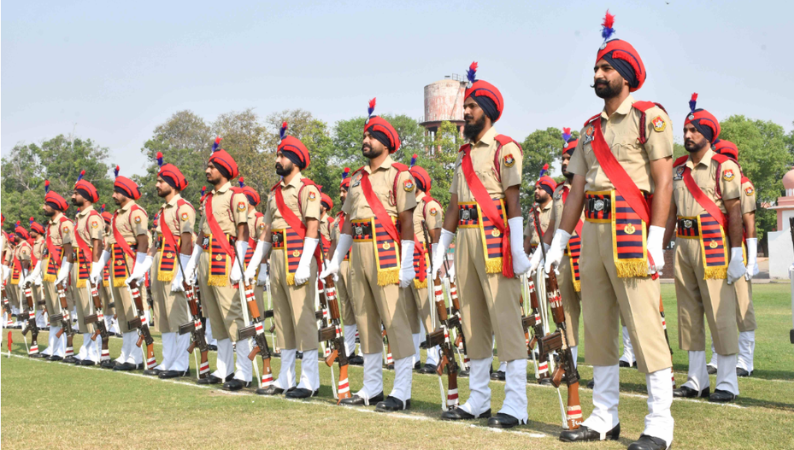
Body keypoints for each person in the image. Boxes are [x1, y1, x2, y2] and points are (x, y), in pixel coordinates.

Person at [543, 13, 675, 449]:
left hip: (631, 230)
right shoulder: (588, 130)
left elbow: (661, 183)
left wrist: (656, 238)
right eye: (596, 69)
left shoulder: (648, 119)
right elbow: (576, 190)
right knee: (598, 328)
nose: (598, 75)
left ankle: (660, 422)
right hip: (594, 232)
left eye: (606, 68)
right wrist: (559, 242)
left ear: (627, 75)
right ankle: (604, 417)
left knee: (644, 326)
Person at [431, 63, 531, 428]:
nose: (466, 112)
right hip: (466, 245)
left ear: (487, 111)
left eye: (472, 106)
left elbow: (513, 201)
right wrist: (442, 246)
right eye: (466, 106)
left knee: (506, 322)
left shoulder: (504, 149)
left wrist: (518, 249)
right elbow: (455, 205)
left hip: (494, 244)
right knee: (471, 322)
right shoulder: (463, 155)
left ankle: (517, 404)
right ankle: (479, 400)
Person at [322, 99, 417, 412]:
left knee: (394, 321)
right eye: (364, 136)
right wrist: (336, 260)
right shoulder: (355, 179)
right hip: (358, 254)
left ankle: (401, 390)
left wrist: (406, 263)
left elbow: (405, 222)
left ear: (386, 143)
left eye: (372, 136)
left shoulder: (399, 176)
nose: (365, 140)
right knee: (365, 321)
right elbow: (347, 223)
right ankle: (373, 387)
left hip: (386, 253)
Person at [663, 100, 742, 403]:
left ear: (708, 133)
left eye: (694, 129)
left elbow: (734, 212)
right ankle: (696, 380)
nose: (688, 133)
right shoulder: (678, 169)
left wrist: (736, 254)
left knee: (719, 313)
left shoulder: (725, 167)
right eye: (685, 129)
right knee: (688, 314)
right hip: (683, 246)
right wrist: (658, 248)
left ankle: (727, 382)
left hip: (712, 246)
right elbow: (670, 212)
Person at [245, 123, 322, 399]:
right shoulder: (273, 192)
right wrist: (254, 264)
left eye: (282, 156)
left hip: (297, 256)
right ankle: (286, 376)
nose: (277, 160)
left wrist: (304, 263)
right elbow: (266, 231)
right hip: (277, 258)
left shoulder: (307, 189)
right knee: (282, 319)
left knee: (303, 320)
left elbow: (312, 226)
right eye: (277, 156)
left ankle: (310, 379)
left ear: (296, 160)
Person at [183, 138, 252, 390]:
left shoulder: (236, 197)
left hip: (226, 260)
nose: (207, 170)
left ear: (223, 169)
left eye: (212, 166)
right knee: (216, 319)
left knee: (233, 317)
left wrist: (239, 265)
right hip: (207, 262)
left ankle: (244, 372)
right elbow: (201, 234)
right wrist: (192, 264)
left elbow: (242, 232)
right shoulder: (208, 200)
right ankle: (224, 368)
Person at [135, 153, 196, 379]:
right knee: (164, 317)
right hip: (160, 265)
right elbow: (155, 245)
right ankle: (168, 360)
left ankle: (180, 363)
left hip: (175, 265)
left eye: (161, 181)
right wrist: (142, 269)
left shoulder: (184, 208)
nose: (157, 184)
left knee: (178, 316)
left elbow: (187, 241)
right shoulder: (162, 211)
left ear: (171, 183)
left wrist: (183, 273)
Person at [708, 139, 758, 378]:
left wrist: (752, 260)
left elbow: (749, 222)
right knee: (717, 306)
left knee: (742, 308)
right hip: (715, 249)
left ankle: (746, 360)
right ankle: (717, 358)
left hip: (738, 251)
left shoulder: (744, 184)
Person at [94, 166, 151, 371]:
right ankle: (126, 353)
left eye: (116, 192)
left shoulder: (136, 213)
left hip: (129, 263)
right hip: (116, 266)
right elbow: (109, 245)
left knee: (133, 311)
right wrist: (99, 267)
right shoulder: (116, 215)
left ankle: (135, 356)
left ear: (126, 192)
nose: (113, 195)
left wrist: (138, 271)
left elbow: (143, 242)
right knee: (122, 312)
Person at [404, 160, 443, 374]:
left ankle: (433, 356)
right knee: (410, 312)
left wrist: (435, 265)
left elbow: (436, 237)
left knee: (427, 313)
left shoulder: (430, 205)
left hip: (424, 264)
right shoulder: (406, 204)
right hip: (407, 263)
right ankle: (413, 357)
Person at [63, 171, 105, 366]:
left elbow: (97, 245)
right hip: (77, 267)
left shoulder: (93, 217)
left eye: (76, 193)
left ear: (85, 196)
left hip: (88, 265)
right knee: (81, 310)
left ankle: (95, 351)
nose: (73, 197)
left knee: (91, 308)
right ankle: (86, 349)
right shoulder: (78, 218)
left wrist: (96, 269)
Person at [329, 168, 363, 365]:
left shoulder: (357, 214)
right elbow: (333, 245)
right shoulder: (338, 219)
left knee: (361, 308)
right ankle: (349, 350)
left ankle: (367, 351)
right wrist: (330, 265)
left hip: (355, 264)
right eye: (341, 191)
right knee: (346, 309)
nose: (342, 194)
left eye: (345, 191)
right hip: (341, 265)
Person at [39, 180, 73, 361]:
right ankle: (53, 346)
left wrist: (63, 274)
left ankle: (63, 348)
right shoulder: (50, 225)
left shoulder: (64, 224)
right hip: (48, 273)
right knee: (53, 313)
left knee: (61, 312)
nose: (44, 207)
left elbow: (68, 251)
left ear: (55, 206)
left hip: (58, 273)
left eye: (47, 204)